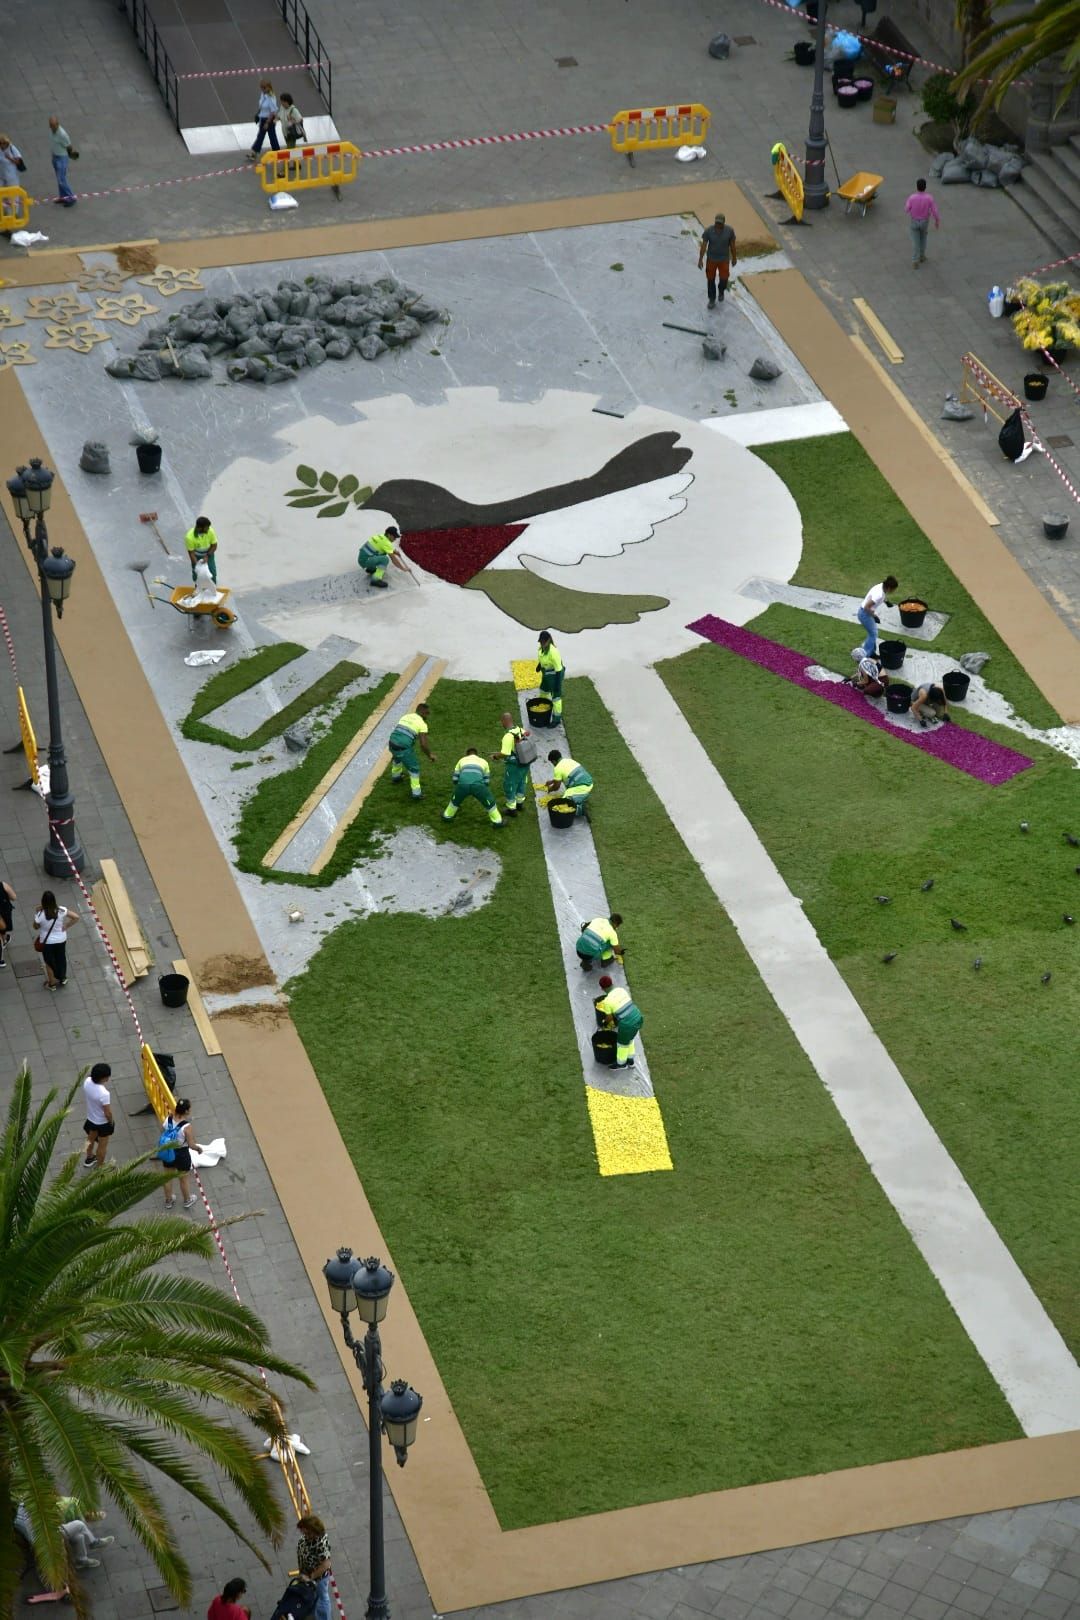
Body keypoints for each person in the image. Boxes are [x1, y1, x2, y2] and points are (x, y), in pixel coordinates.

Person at [443, 748, 504, 826]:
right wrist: (482, 790)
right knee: (490, 802)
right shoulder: (484, 762)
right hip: (478, 786)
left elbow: (455, 779)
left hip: (462, 785)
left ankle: (447, 816)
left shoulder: (461, 760)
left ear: (467, 754)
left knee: (454, 801)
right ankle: (497, 822)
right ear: (476, 754)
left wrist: (459, 788)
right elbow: (486, 781)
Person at [595, 974, 644, 1068]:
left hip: (627, 1024)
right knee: (629, 1040)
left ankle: (621, 1064)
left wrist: (604, 1023)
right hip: (638, 1017)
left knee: (622, 1044)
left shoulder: (607, 1001)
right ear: (612, 983)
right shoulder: (621, 990)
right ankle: (630, 1060)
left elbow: (609, 1018)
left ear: (602, 988)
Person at [388, 702, 435, 799]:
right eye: (427, 713)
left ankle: (396, 777)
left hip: (392, 743)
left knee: (397, 758)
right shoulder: (422, 724)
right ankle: (417, 794)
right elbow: (423, 744)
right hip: (403, 748)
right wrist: (430, 755)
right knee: (414, 769)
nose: (428, 715)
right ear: (422, 712)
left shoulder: (406, 716)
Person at [34, 890, 78, 989]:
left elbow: (35, 927)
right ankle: (62, 978)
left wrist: (37, 912)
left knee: (49, 962)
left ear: (43, 901)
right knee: (61, 959)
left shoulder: (40, 914)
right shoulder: (61, 910)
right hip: (61, 939)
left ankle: (52, 984)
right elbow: (76, 917)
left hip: (47, 942)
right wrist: (66, 925)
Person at [492, 711, 534, 816]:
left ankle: (512, 810)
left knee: (510, 785)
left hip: (514, 767)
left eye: (502, 722)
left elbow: (505, 753)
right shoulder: (520, 729)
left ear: (504, 721)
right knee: (522, 783)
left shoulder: (507, 736)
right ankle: (520, 804)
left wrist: (495, 756)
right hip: (525, 763)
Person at [159, 1098, 197, 1210]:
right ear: (186, 1111)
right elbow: (191, 1145)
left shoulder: (168, 1119)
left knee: (167, 1177)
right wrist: (199, 1149)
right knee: (183, 1179)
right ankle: (187, 1200)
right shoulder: (187, 1126)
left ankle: (168, 1201)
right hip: (181, 1154)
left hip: (168, 1151)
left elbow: (163, 1132)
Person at [296, 1514, 332, 1620]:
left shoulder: (320, 1542)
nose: (303, 1534)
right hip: (307, 1573)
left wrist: (311, 1577)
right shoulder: (309, 1537)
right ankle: (313, 1614)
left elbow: (326, 1564)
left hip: (318, 1577)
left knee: (322, 1598)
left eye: (305, 1532)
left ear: (312, 1530)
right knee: (314, 1596)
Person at [698, 212, 737, 307]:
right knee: (710, 280)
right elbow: (704, 245)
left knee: (724, 279)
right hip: (711, 259)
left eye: (720, 223)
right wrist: (700, 259)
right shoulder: (708, 231)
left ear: (724, 223)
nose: (718, 225)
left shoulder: (729, 231)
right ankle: (712, 299)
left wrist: (734, 258)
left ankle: (721, 291)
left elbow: (732, 245)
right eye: (717, 223)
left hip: (724, 260)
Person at [82, 1063, 115, 1169]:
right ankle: (100, 1167)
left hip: (91, 1119)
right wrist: (111, 1122)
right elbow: (107, 1113)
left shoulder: (87, 1082)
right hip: (102, 1123)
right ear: (103, 1078)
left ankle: (89, 1157)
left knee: (89, 1139)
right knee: (102, 1145)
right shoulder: (104, 1094)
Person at [856, 575, 898, 658]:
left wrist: (886, 602)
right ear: (889, 588)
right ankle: (865, 655)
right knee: (873, 634)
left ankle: (871, 652)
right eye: (893, 589)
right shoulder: (878, 595)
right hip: (864, 614)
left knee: (872, 632)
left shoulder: (881, 586)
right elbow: (866, 607)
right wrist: (874, 616)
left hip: (866, 613)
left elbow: (883, 594)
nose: (893, 591)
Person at [905, 178, 940, 268]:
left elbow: (906, 209)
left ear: (917, 187)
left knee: (915, 241)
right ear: (925, 187)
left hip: (914, 221)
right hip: (924, 221)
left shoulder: (912, 197)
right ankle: (922, 256)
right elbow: (934, 211)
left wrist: (911, 210)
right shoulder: (929, 198)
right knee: (923, 238)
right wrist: (937, 220)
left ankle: (915, 261)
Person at [546, 749, 593, 816]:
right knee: (568, 795)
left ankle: (581, 810)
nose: (553, 764)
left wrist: (549, 789)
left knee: (564, 804)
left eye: (552, 763)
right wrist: (552, 781)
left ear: (553, 761)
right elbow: (566, 774)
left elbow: (556, 787)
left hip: (582, 787)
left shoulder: (557, 768)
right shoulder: (568, 760)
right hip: (589, 783)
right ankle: (580, 798)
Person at [47, 115, 77, 207]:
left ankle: (71, 197)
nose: (52, 127)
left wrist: (71, 155)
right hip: (55, 157)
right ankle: (63, 197)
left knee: (61, 179)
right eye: (51, 125)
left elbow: (69, 146)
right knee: (59, 178)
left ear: (58, 124)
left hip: (62, 158)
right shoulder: (52, 132)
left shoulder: (62, 134)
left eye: (53, 125)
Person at [536, 630, 565, 723]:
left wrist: (557, 685)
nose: (542, 643)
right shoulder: (541, 649)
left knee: (556, 698)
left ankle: (556, 719)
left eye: (543, 641)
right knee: (543, 691)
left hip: (555, 675)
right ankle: (543, 709)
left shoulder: (554, 652)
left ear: (548, 641)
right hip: (546, 674)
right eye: (541, 641)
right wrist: (539, 665)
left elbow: (559, 670)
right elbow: (542, 658)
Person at [247, 81, 280, 160]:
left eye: (264, 88)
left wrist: (267, 123)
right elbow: (261, 105)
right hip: (262, 118)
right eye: (261, 87)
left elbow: (273, 111)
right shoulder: (263, 94)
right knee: (261, 136)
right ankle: (254, 153)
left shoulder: (271, 97)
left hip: (269, 120)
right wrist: (258, 114)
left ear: (269, 87)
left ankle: (277, 153)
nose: (262, 89)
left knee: (272, 137)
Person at [0, 134, 26, 234]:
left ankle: (13, 214)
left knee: (13, 195)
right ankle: (5, 213)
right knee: (3, 196)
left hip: (11, 176)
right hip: (1, 176)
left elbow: (18, 161)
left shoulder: (12, 148)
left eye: (2, 144)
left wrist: (9, 158)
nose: (1, 146)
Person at [185, 515, 218, 582]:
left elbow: (214, 545)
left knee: (212, 572)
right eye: (207, 527)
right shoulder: (189, 537)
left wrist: (207, 556)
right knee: (197, 573)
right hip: (196, 556)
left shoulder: (210, 531)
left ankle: (213, 588)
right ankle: (198, 589)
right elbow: (191, 553)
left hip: (209, 553)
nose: (208, 529)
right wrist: (197, 564)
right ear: (200, 528)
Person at [0, 877, 15, 968]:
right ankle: (4, 941)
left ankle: (4, 940)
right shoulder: (3, 885)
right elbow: (14, 897)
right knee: (3, 930)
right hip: (5, 912)